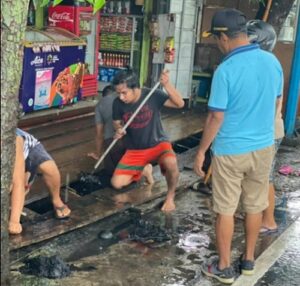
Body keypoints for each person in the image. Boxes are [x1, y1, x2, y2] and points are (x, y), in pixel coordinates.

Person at [193, 9, 283, 284]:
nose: (217, 45)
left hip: (231, 150)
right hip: (263, 147)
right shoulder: (272, 61)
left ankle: (223, 266)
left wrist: (200, 151)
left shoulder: (226, 70)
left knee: (226, 209)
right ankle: (248, 261)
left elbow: (216, 116)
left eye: (216, 39)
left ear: (224, 37)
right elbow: (277, 100)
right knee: (255, 207)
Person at [111, 69, 184, 212]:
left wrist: (167, 84)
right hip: (135, 149)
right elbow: (116, 122)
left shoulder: (152, 95)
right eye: (118, 93)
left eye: (124, 92)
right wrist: (118, 129)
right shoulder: (117, 103)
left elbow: (179, 104)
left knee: (171, 162)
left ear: (135, 88)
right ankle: (145, 170)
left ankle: (170, 197)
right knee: (116, 183)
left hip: (158, 144)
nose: (121, 97)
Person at [247, 19, 285, 234]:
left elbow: (271, 100)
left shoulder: (269, 63)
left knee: (265, 178)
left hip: (268, 131)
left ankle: (268, 220)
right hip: (263, 130)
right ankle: (257, 214)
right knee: (258, 177)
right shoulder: (265, 62)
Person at [9, 128, 71, 235]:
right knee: (8, 188)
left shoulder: (14, 141)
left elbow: (17, 182)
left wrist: (14, 221)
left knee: (51, 170)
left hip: (28, 147)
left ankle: (57, 200)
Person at [88, 85, 126, 175]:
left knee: (112, 173)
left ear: (103, 95)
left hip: (112, 141)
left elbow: (99, 133)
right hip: (129, 137)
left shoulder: (99, 105)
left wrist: (98, 153)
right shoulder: (123, 98)